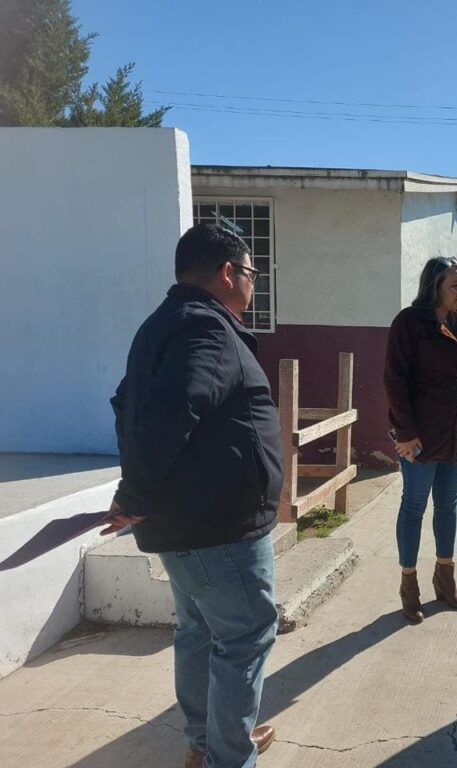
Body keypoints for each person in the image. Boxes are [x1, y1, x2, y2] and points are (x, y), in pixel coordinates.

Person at [104, 224, 282, 768]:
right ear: (227, 273)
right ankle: (229, 757)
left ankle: (206, 745)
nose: (253, 284)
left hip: (185, 525)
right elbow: (166, 414)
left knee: (200, 632)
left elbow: (125, 406)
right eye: (251, 273)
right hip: (219, 531)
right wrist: (134, 493)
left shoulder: (161, 326)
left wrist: (138, 495)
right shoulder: (207, 331)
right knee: (245, 636)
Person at [383, 256, 457, 623]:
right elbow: (395, 380)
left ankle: (445, 580)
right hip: (418, 435)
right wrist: (405, 432)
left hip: (456, 433)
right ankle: (409, 585)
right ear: (434, 286)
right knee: (413, 507)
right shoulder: (409, 322)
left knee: (447, 507)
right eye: (454, 286)